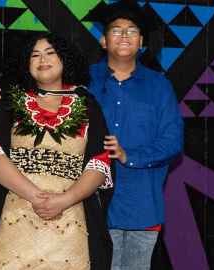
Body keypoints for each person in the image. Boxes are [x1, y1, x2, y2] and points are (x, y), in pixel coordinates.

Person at [0, 33, 113, 270]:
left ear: (65, 60)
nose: (42, 59)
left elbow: (99, 162)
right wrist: (36, 196)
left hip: (71, 218)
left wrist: (65, 200)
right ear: (26, 65)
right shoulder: (10, 101)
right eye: (35, 55)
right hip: (15, 214)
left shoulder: (87, 104)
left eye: (50, 53)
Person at [89, 1, 184, 270]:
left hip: (142, 203)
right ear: (103, 40)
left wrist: (129, 155)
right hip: (90, 203)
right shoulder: (83, 82)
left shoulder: (159, 86)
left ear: (141, 41)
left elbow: (172, 141)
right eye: (116, 30)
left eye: (131, 31)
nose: (124, 36)